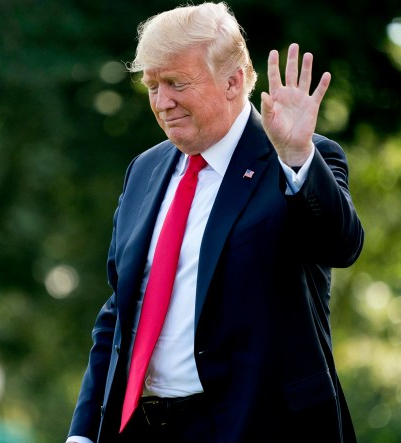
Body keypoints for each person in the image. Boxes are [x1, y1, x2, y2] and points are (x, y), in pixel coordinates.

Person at [66, 2, 364, 442]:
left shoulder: (295, 158)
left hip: (261, 426)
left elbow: (341, 245)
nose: (162, 102)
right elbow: (119, 312)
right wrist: (84, 432)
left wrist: (299, 157)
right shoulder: (144, 170)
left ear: (233, 82)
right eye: (152, 85)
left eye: (176, 83)